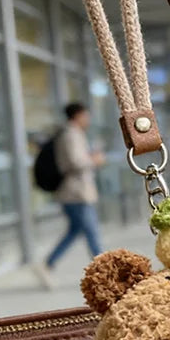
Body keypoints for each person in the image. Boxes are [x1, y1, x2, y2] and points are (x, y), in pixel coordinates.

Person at [40, 102, 105, 282]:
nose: (88, 119)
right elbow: (76, 162)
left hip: (74, 192)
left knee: (75, 231)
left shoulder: (70, 133)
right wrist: (94, 159)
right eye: (86, 115)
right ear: (78, 115)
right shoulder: (71, 134)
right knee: (92, 233)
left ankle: (48, 264)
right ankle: (105, 272)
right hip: (76, 193)